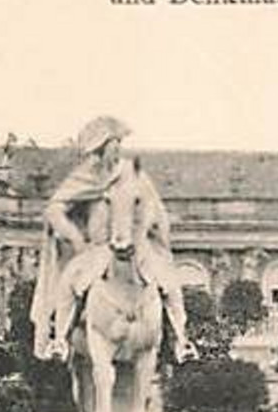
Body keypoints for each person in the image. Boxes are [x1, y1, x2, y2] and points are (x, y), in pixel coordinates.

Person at [30, 116, 196, 363]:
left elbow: (154, 208)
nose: (117, 148)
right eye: (112, 143)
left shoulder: (133, 173)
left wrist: (148, 229)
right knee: (69, 283)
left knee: (169, 283)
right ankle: (59, 339)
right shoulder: (85, 176)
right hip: (98, 248)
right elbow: (54, 209)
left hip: (137, 247)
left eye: (119, 142)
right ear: (99, 148)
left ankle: (182, 340)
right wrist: (74, 237)